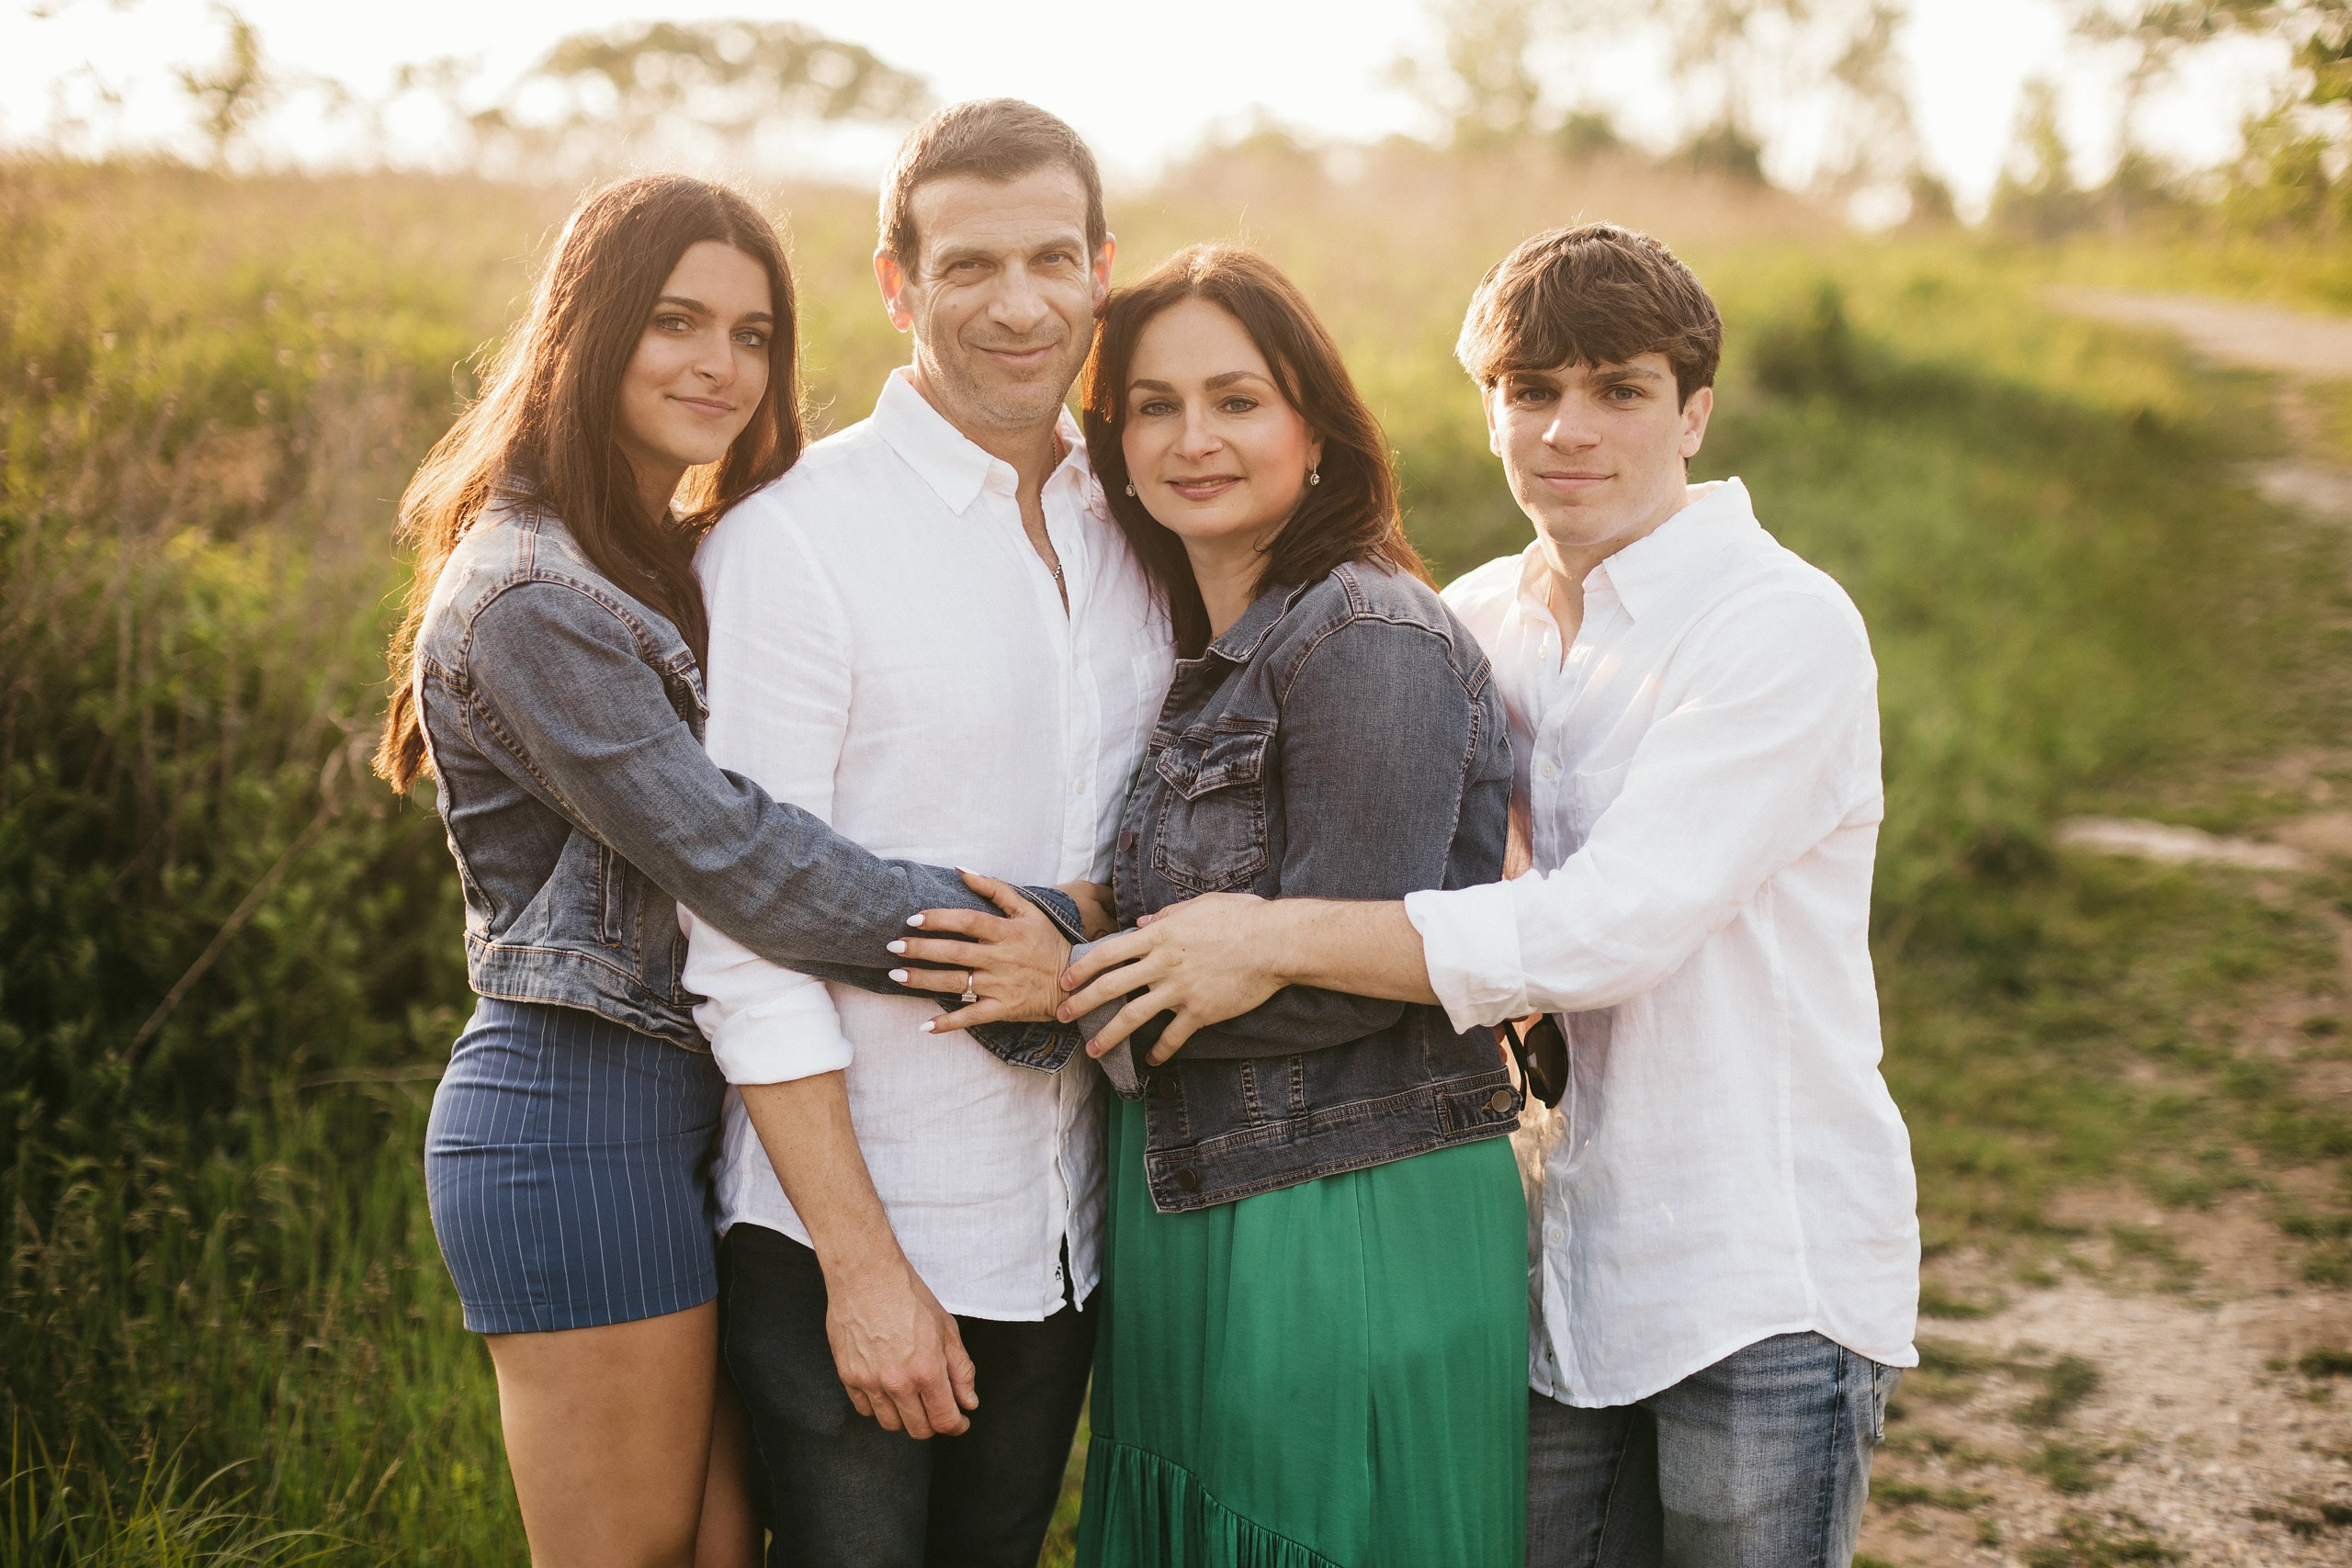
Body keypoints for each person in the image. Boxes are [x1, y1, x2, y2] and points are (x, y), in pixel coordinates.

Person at [1053, 224, 1921, 1567]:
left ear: (1694, 410)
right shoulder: (1484, 614)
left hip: (1755, 1259)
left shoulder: (1776, 624)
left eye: (1618, 391)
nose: (1569, 429)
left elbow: (1609, 928)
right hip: (1558, 1258)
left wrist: (1266, 941)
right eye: (1530, 391)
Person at [376, 172, 1094, 1568]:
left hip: (676, 1111)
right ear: (587, 334)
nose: (719, 365)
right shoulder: (532, 597)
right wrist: (1041, 937)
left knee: (714, 1554)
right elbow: (739, 861)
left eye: (754, 335)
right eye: (675, 323)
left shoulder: (648, 551)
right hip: (577, 1117)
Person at [896, 243, 1527, 1567]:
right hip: (1195, 1198)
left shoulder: (1366, 635)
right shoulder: (1195, 651)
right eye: (1156, 406)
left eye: (1238, 401)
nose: (1196, 439)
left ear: (1316, 430)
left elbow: (1348, 972)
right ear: (1112, 439)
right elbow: (1186, 920)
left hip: (1344, 1205)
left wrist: (1062, 980)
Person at [679, 101, 1172, 1568]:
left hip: (1067, 1232)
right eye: (968, 266)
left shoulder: (1138, 524)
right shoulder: (792, 540)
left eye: (1049, 259)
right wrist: (863, 1268)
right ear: (896, 284)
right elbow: (738, 936)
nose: (1017, 306)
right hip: (854, 1230)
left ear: (1100, 271)